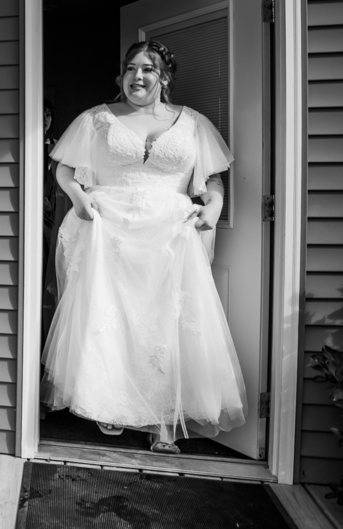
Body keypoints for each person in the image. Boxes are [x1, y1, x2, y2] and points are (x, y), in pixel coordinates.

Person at [40, 40, 246, 454]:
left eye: (148, 69)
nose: (137, 76)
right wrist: (78, 198)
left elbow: (212, 179)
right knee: (112, 319)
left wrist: (214, 207)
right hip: (110, 232)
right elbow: (64, 168)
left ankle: (163, 422)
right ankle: (110, 403)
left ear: (164, 78)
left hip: (169, 236)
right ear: (121, 75)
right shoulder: (96, 118)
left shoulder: (193, 123)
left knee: (165, 324)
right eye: (131, 68)